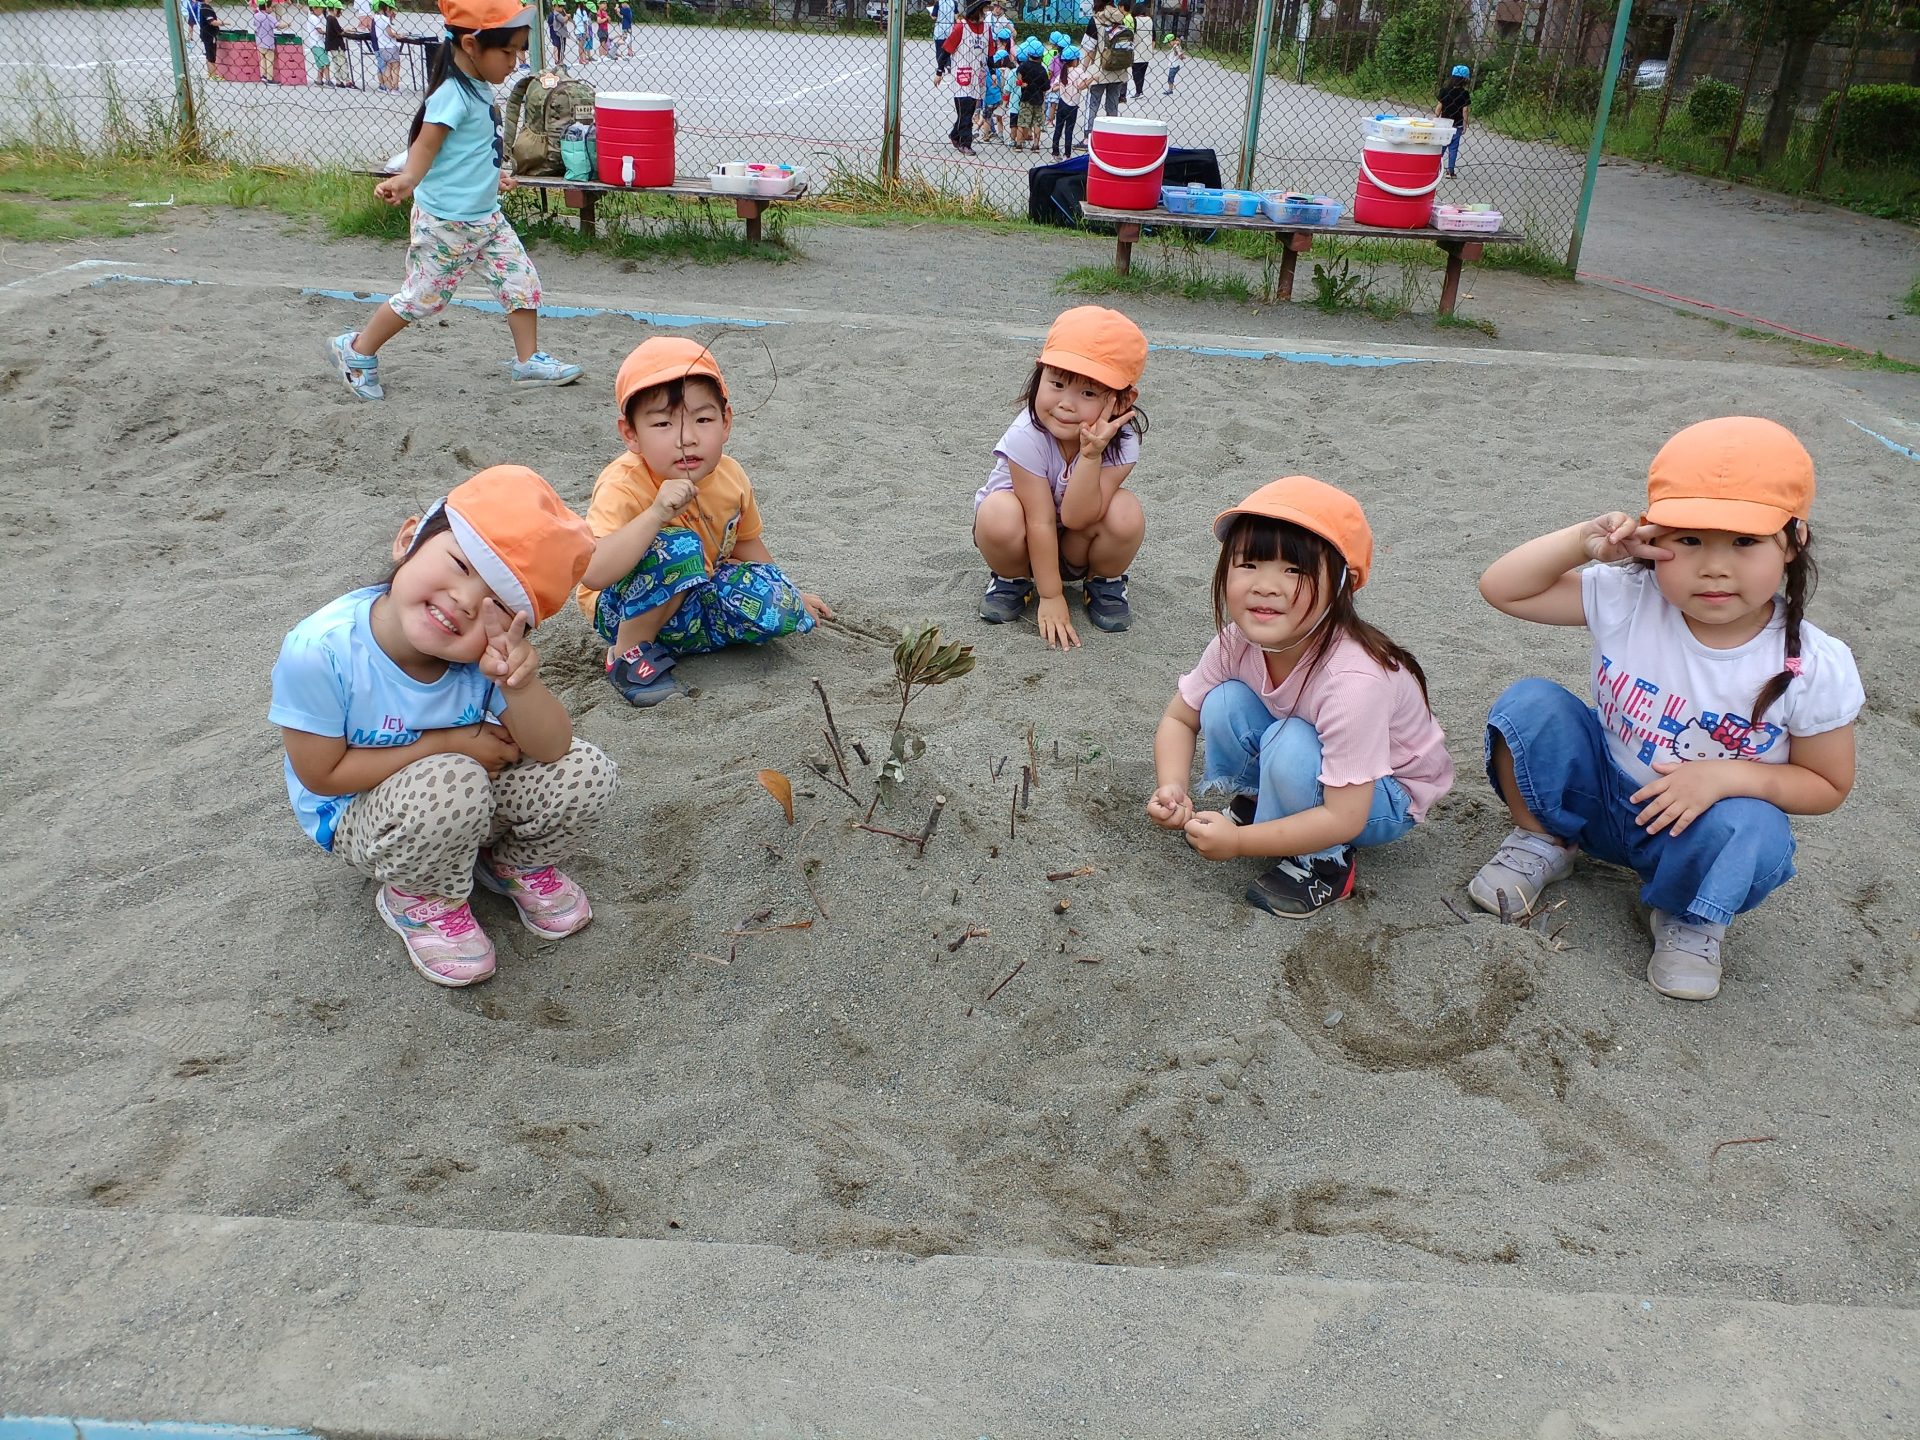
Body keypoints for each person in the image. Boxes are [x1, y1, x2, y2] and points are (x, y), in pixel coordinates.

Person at [1472, 417, 1862, 1001]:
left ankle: (1689, 915)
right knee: (1531, 705)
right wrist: (1584, 541)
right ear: (1653, 536)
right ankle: (1545, 842)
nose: (1714, 566)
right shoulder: (1630, 594)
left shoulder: (1814, 662)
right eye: (1689, 540)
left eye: (1745, 542)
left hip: (1691, 832)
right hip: (1601, 798)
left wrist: (1725, 775)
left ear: (1794, 540)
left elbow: (1827, 784)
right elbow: (1504, 589)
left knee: (1756, 826)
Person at [270, 465, 617, 987]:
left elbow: (552, 747)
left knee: (588, 771)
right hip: (361, 817)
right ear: (409, 539)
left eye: (498, 605)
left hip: (459, 795)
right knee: (451, 777)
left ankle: (512, 865)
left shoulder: (485, 657)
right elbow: (322, 774)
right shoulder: (321, 651)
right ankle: (421, 898)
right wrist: (453, 744)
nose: (465, 600)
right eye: (459, 563)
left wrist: (521, 687)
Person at [1148, 478, 1452, 918]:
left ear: (1342, 585)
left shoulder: (1352, 679)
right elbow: (1180, 719)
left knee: (1291, 742)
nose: (1266, 585)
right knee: (1224, 701)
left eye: (1294, 570)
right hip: (1322, 762)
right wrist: (1172, 786)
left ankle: (1325, 863)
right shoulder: (1235, 642)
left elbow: (1346, 816)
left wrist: (1236, 844)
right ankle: (1261, 804)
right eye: (1248, 564)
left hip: (1382, 798)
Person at [327, 0, 582, 401]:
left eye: (519, 51)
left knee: (522, 283)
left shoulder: (478, 88)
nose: (515, 62)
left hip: (486, 218)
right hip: (446, 224)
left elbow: (472, 148)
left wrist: (491, 176)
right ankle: (357, 350)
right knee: (423, 299)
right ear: (470, 44)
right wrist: (408, 178)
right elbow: (426, 145)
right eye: (508, 51)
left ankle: (527, 360)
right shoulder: (452, 94)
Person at [577, 339, 833, 707]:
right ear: (631, 433)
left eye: (703, 419)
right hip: (622, 609)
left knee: (781, 609)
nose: (687, 438)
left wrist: (791, 591)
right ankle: (627, 658)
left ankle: (674, 644)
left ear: (725, 422)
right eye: (663, 423)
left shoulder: (730, 476)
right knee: (680, 547)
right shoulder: (623, 484)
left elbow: (745, 545)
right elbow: (594, 574)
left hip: (694, 599)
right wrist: (655, 515)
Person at [972, 305, 1147, 643]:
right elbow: (1038, 520)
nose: (1066, 403)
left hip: (1076, 544)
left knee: (1126, 511)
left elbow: (1077, 516)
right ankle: (1012, 580)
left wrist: (1091, 455)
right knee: (998, 512)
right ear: (1040, 375)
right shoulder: (1026, 435)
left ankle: (1103, 582)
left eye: (1088, 393)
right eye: (1057, 383)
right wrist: (1050, 597)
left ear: (1123, 400)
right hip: (1022, 546)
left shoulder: (1121, 440)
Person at [942, 0, 990, 154]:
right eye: (984, 10)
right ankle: (965, 143)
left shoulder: (987, 29)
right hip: (962, 76)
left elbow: (990, 54)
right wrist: (939, 71)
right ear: (977, 12)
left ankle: (955, 135)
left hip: (978, 77)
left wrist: (994, 73)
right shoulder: (960, 28)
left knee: (968, 110)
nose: (986, 13)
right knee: (966, 111)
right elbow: (946, 50)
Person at [1082, 0, 1132, 146]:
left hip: (1100, 69)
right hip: (1119, 69)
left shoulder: (1096, 20)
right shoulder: (1121, 18)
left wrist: (1084, 70)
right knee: (1112, 105)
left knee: (1092, 104)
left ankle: (1088, 138)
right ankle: (1112, 138)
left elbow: (1089, 49)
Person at [1051, 43, 1086, 156]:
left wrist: (1061, 86)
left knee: (1058, 128)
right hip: (1073, 105)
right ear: (1075, 59)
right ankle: (1067, 154)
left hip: (1062, 103)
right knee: (1069, 131)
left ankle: (1055, 152)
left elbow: (1053, 88)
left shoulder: (1063, 72)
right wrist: (1092, 79)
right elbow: (1081, 86)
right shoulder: (1079, 71)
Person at [1437, 63, 1470, 178]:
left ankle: (1435, 167)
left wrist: (1436, 118)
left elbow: (1439, 107)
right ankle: (1450, 171)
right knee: (1453, 149)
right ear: (1465, 80)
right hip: (1457, 125)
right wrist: (1465, 123)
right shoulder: (1464, 94)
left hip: (1444, 124)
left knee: (1441, 147)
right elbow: (1465, 110)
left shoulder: (1445, 91)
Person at [1014, 39, 1048, 152]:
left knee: (1022, 122)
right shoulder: (1042, 70)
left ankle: (1018, 144)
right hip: (1038, 99)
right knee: (1037, 123)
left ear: (1028, 54)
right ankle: (1036, 145)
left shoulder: (1023, 66)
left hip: (1026, 98)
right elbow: (1046, 87)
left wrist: (1022, 83)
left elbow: (1018, 75)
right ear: (1041, 55)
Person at [368, 0, 400, 90]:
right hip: (388, 46)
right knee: (393, 66)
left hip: (380, 46)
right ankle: (393, 87)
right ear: (387, 8)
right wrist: (397, 35)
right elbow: (390, 33)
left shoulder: (376, 18)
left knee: (384, 66)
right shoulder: (385, 19)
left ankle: (386, 86)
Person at [324, 1, 352, 85]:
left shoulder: (328, 18)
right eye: (339, 10)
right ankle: (347, 80)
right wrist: (347, 29)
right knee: (342, 62)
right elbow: (340, 32)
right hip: (337, 45)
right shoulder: (333, 19)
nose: (340, 12)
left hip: (332, 45)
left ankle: (338, 80)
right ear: (335, 9)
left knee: (336, 62)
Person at [1128, 3, 1151, 98]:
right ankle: (1140, 91)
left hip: (1138, 48)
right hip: (1147, 49)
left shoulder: (1135, 20)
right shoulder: (1150, 20)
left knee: (1136, 71)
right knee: (1142, 72)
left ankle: (1139, 91)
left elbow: (1132, 33)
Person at [253, 1, 278, 84]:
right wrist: (287, 24)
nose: (272, 9)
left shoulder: (256, 15)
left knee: (262, 59)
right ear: (266, 7)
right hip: (268, 42)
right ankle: (269, 78)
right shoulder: (269, 17)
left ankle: (263, 75)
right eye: (271, 7)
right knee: (270, 60)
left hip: (259, 41)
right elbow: (277, 25)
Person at [932, 0, 956, 83]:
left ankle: (940, 68)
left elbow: (934, 16)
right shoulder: (954, 2)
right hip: (950, 27)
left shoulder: (938, 3)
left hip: (940, 27)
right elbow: (956, 16)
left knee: (939, 49)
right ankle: (948, 65)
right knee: (948, 49)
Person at [306, 2, 330, 84]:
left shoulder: (313, 17)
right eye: (320, 8)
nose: (322, 10)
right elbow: (319, 30)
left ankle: (319, 79)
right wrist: (329, 32)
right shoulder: (314, 18)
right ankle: (328, 80)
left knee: (320, 63)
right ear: (314, 8)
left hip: (317, 43)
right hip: (317, 44)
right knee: (326, 62)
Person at [198, 0, 221, 80]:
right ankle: (213, 75)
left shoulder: (203, 7)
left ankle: (211, 73)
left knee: (209, 54)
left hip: (206, 33)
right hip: (209, 34)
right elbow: (212, 22)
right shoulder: (206, 8)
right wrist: (223, 23)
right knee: (211, 55)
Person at [545, 0, 566, 64]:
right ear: (554, 6)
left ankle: (558, 60)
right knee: (557, 46)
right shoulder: (555, 15)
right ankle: (558, 60)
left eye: (562, 6)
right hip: (557, 33)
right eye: (560, 6)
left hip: (555, 33)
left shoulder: (555, 14)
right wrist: (567, 16)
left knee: (558, 46)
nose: (562, 8)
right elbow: (563, 21)